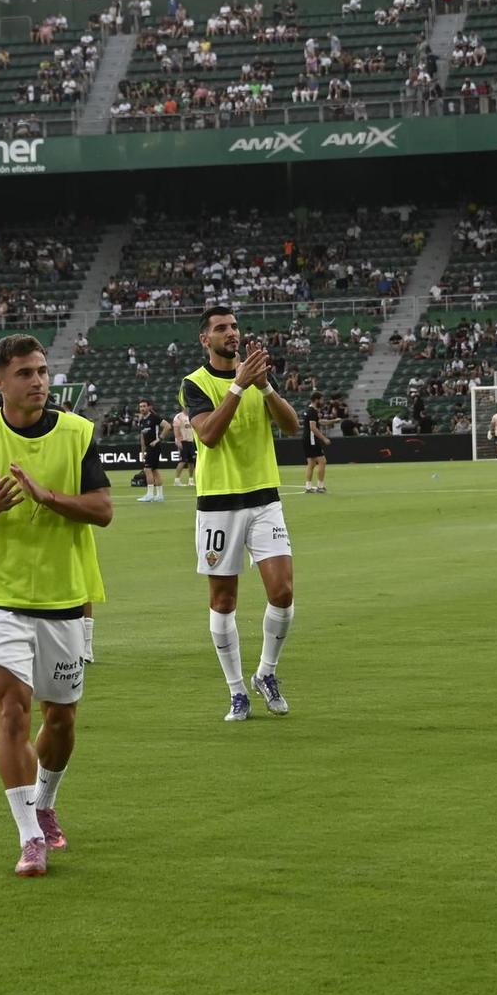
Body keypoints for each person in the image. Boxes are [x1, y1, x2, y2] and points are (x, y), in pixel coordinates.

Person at [0, 334, 111, 877]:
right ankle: (28, 835)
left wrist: (49, 498)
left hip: (64, 596)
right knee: (10, 708)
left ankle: (45, 800)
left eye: (42, 371)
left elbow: (103, 510)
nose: (38, 381)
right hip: (0, 596)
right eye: (25, 373)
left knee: (59, 720)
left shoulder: (78, 432)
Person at [182, 307, 300, 721]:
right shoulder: (194, 384)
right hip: (218, 504)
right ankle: (236, 691)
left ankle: (266, 672)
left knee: (282, 592)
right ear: (205, 339)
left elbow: (291, 427)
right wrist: (237, 387)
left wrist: (266, 389)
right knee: (223, 600)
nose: (230, 333)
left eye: (233, 326)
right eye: (220, 328)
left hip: (264, 498)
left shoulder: (256, 376)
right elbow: (209, 435)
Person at [136, 399, 167, 501]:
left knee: (147, 469)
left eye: (144, 406)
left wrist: (159, 439)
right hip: (148, 448)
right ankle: (160, 495)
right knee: (154, 470)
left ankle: (149, 495)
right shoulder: (142, 420)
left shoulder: (154, 417)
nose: (142, 408)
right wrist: (143, 451)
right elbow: (142, 437)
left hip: (154, 447)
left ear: (149, 407)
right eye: (140, 406)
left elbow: (167, 426)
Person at [301, 392, 330, 493]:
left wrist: (333, 421)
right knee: (322, 461)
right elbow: (313, 428)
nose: (322, 402)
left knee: (311, 463)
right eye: (321, 400)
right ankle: (320, 486)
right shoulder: (312, 411)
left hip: (306, 438)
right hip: (311, 439)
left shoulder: (309, 410)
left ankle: (308, 487)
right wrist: (324, 438)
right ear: (316, 400)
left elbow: (319, 422)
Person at [171, 405, 196, 489]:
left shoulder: (192, 416)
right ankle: (177, 480)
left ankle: (191, 480)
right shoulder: (179, 417)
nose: (188, 408)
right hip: (183, 441)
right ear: (183, 407)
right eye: (187, 407)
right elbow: (176, 429)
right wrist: (178, 441)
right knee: (182, 460)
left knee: (191, 461)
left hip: (190, 441)